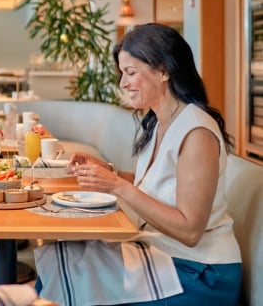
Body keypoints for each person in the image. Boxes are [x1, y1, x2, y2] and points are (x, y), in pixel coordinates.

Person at [34, 23, 241, 305]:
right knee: (59, 256)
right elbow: (156, 184)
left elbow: (190, 230)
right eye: (122, 73)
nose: (123, 83)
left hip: (199, 271)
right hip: (163, 253)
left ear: (165, 70)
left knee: (62, 272)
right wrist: (109, 172)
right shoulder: (158, 122)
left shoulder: (197, 133)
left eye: (131, 73)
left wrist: (117, 186)